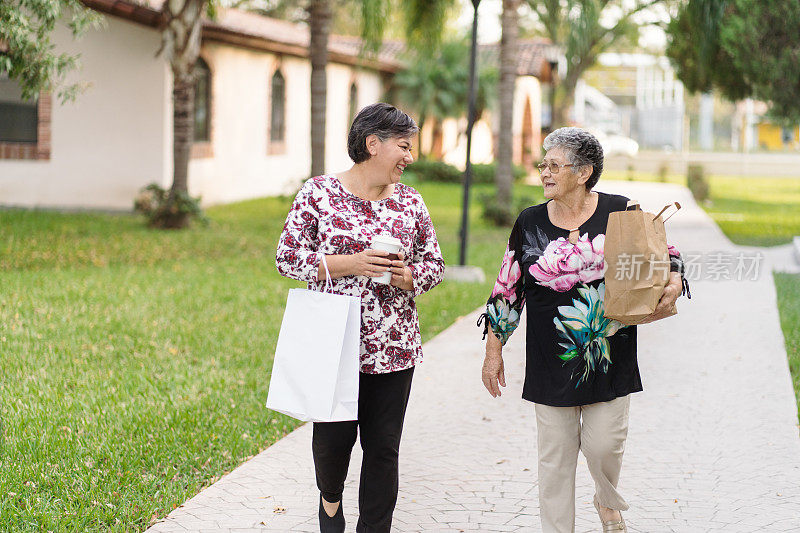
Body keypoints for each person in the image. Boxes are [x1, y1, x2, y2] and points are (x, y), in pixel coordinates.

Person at [479, 127, 689, 533]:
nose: (544, 173)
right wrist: (493, 350)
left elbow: (668, 251)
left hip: (610, 357)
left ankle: (606, 499)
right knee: (554, 463)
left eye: (554, 165)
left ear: (583, 171)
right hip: (549, 360)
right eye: (544, 164)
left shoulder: (620, 211)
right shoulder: (530, 222)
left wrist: (675, 278)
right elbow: (507, 289)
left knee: (603, 446)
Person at [275, 102, 445, 533]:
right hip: (335, 345)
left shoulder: (410, 202)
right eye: (404, 146)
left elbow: (434, 264)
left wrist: (406, 276)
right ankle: (330, 503)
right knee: (333, 445)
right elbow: (287, 258)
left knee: (383, 449)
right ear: (373, 144)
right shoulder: (318, 194)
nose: (410, 157)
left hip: (394, 348)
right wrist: (351, 263)